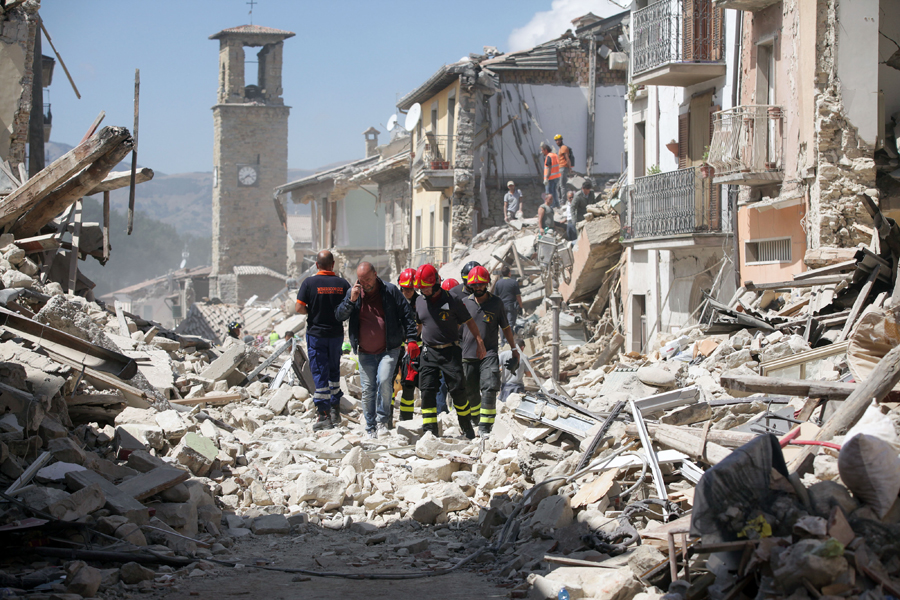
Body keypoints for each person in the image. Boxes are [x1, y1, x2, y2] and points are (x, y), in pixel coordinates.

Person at [336, 262, 418, 438]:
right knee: (367, 389)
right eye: (361, 280)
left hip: (389, 349)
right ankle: (370, 426)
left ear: (375, 274)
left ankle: (382, 421)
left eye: (367, 279)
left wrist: (411, 339)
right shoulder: (354, 293)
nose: (365, 283)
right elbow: (340, 315)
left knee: (384, 382)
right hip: (365, 351)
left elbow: (406, 315)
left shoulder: (390, 291)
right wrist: (351, 300)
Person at [414, 263, 486, 438]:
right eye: (421, 288)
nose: (424, 291)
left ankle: (466, 426)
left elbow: (469, 321)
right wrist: (411, 343)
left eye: (426, 287)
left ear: (436, 284)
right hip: (428, 351)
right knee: (427, 391)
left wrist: (479, 341)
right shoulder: (419, 301)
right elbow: (418, 324)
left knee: (458, 391)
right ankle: (429, 431)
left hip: (450, 351)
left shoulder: (452, 300)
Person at [295, 250, 351, 431]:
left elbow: (299, 308)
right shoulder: (342, 284)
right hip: (335, 335)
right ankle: (335, 411)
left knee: (319, 372)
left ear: (317, 265)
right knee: (334, 371)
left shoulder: (309, 283)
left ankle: (323, 415)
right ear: (332, 264)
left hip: (317, 334)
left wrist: (312, 311)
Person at [461, 266, 519, 436]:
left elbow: (506, 327)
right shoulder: (464, 304)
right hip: (468, 355)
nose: (478, 288)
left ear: (487, 284)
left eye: (481, 284)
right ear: (470, 285)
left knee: (489, 386)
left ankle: (486, 427)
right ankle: (476, 420)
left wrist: (514, 348)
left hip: (489, 353)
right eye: (475, 285)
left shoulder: (496, 303)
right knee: (470, 391)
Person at [396, 268, 420, 422]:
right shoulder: (395, 300)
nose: (408, 291)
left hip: (414, 348)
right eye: (405, 289)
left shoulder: (420, 302)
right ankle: (386, 417)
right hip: (396, 347)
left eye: (411, 289)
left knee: (409, 383)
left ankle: (406, 418)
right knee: (391, 381)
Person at [493, 265, 523, 333]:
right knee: (510, 324)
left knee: (502, 325)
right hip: (511, 306)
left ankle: (503, 342)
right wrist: (521, 307)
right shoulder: (514, 282)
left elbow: (495, 297)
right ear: (509, 273)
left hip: (501, 307)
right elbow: (518, 296)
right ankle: (508, 342)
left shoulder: (498, 283)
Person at [541, 142, 561, 208]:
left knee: (549, 193)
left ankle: (550, 206)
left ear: (545, 150)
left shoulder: (549, 156)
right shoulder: (555, 155)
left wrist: (546, 178)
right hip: (557, 177)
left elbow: (549, 167)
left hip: (550, 178)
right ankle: (557, 205)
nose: (542, 152)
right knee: (554, 192)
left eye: (542, 150)